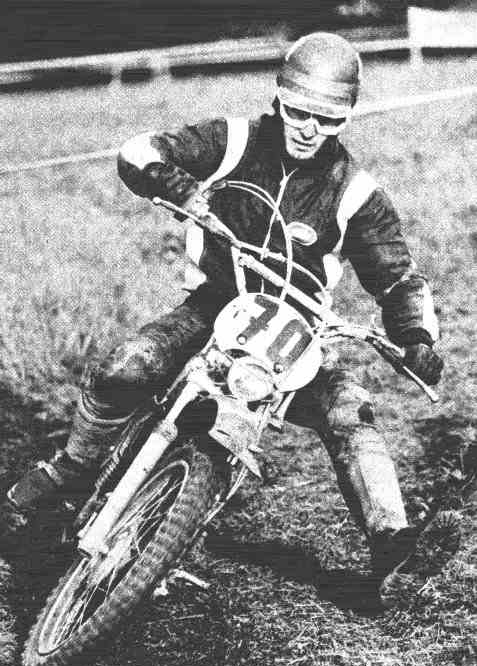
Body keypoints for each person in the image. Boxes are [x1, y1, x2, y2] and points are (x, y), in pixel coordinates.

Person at [0, 32, 460, 606]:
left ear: (347, 118)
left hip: (296, 332)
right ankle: (71, 468)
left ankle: (392, 545)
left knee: (350, 410)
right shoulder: (233, 141)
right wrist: (173, 182)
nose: (308, 129)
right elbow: (140, 150)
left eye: (327, 119)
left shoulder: (356, 192)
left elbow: (398, 277)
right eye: (298, 111)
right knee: (128, 365)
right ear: (278, 98)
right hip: (213, 304)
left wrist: (416, 337)